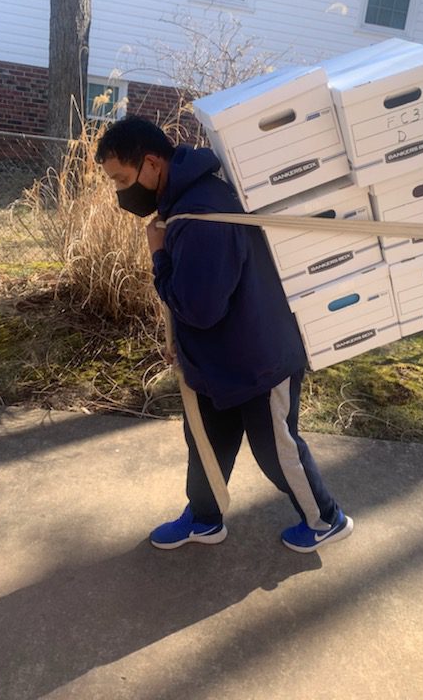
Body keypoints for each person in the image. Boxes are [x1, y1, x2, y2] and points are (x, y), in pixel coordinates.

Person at [96, 116, 353, 553]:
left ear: (152, 163)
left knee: (275, 450)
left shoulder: (202, 215)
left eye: (122, 178)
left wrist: (158, 257)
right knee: (207, 440)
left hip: (258, 359)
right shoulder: (187, 201)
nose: (120, 191)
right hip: (220, 359)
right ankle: (204, 518)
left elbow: (199, 307)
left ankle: (326, 519)